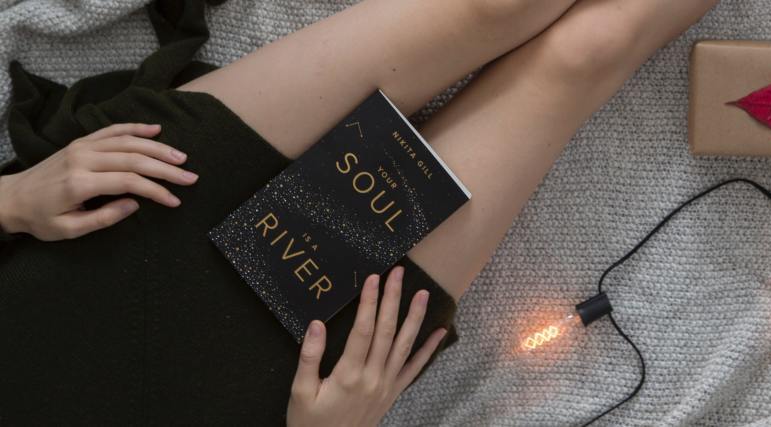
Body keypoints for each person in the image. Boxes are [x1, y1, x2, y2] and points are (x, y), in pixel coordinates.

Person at [0, 0, 719, 424]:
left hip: (122, 223)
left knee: (496, 6)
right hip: (297, 364)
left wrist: (11, 199)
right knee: (583, 55)